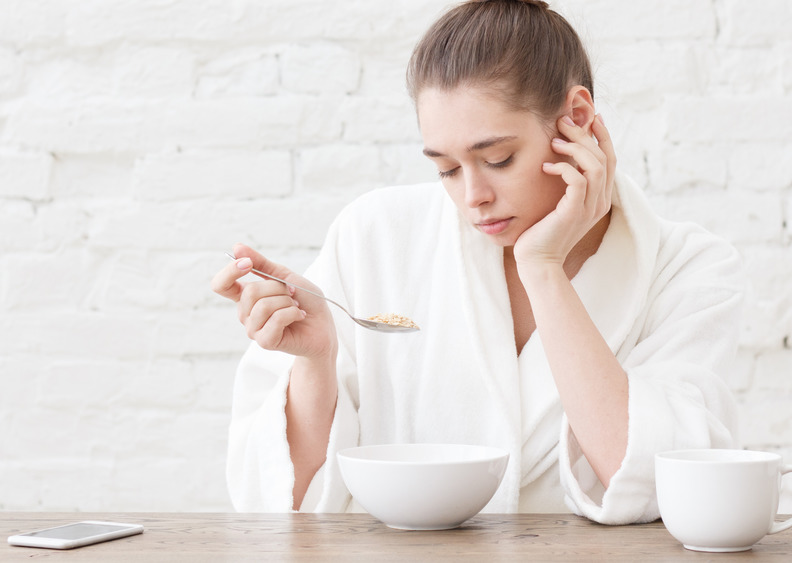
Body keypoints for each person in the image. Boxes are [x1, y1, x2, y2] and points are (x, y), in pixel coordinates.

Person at [211, 0, 742, 525]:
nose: (473, 196)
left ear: (576, 120)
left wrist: (543, 269)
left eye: (498, 160)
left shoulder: (687, 269)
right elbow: (281, 504)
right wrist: (316, 362)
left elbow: (661, 486)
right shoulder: (373, 237)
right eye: (446, 169)